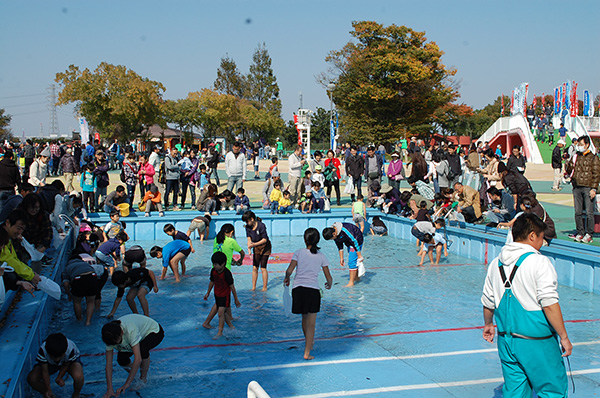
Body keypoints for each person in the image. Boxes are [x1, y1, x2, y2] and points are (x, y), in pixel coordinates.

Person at [481, 213, 572, 398]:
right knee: (552, 389)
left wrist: (489, 324)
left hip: (506, 340)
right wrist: (564, 336)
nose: (542, 242)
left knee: (515, 391)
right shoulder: (539, 261)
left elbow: (488, 301)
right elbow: (549, 303)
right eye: (541, 237)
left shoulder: (495, 263)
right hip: (536, 340)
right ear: (532, 236)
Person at [284, 228, 333, 360]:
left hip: (298, 289)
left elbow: (289, 270)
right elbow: (328, 277)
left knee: (304, 318)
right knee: (311, 324)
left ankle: (308, 341)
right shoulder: (321, 256)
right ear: (318, 240)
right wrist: (329, 283)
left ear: (305, 239)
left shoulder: (298, 253)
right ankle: (307, 352)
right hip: (312, 291)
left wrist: (287, 278)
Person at [102, 314, 165, 397]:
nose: (116, 345)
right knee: (122, 360)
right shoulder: (109, 337)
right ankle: (135, 374)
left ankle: (143, 379)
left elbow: (138, 359)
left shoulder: (130, 330)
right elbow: (108, 365)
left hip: (154, 331)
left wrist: (127, 384)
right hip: (135, 336)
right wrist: (109, 389)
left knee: (142, 350)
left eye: (117, 342)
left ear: (121, 333)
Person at [566, 135, 600, 243]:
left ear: (587, 145)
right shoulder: (576, 156)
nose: (579, 146)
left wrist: (593, 188)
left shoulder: (593, 158)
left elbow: (596, 174)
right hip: (576, 187)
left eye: (581, 144)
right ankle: (580, 232)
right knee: (578, 212)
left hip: (587, 188)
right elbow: (569, 169)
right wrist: (570, 162)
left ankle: (589, 233)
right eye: (578, 144)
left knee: (589, 212)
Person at [27, 333, 84, 398]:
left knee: (78, 376)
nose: (57, 359)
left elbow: (66, 365)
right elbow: (44, 371)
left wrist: (59, 377)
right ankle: (48, 393)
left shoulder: (70, 349)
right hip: (50, 364)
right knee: (32, 378)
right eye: (54, 357)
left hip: (69, 363)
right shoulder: (43, 350)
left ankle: (76, 395)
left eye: (59, 357)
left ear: (64, 352)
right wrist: (48, 389)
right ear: (48, 353)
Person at [202, 251, 241, 337]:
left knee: (220, 313)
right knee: (223, 312)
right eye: (213, 264)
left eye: (216, 264)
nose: (214, 266)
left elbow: (232, 287)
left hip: (225, 296)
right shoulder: (213, 271)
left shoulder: (227, 273)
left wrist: (236, 299)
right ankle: (231, 326)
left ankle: (220, 332)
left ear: (223, 264)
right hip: (217, 294)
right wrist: (208, 293)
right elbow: (212, 282)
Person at [62, 257, 101, 326]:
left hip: (78, 279)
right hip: (92, 277)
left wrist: (69, 294)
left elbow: (66, 284)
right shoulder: (86, 264)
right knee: (90, 302)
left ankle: (79, 320)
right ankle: (88, 321)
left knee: (77, 302)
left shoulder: (67, 268)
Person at [322, 222, 364, 287]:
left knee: (351, 262)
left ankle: (351, 283)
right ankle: (356, 278)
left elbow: (355, 241)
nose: (332, 240)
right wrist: (341, 258)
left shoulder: (345, 230)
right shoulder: (335, 234)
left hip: (357, 240)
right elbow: (339, 246)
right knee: (353, 260)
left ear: (334, 233)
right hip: (349, 243)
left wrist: (359, 255)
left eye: (331, 239)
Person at [242, 211, 271, 291]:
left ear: (252, 219)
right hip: (256, 247)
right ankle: (253, 287)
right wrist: (249, 249)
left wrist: (253, 245)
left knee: (263, 268)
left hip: (265, 247)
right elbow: (249, 238)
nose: (246, 223)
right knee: (255, 268)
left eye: (247, 221)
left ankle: (264, 287)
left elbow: (264, 240)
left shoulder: (261, 226)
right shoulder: (248, 227)